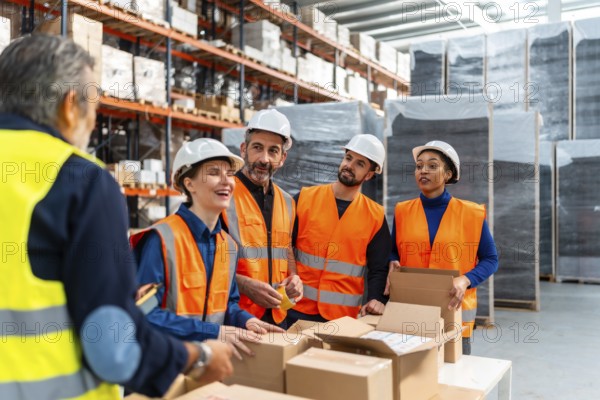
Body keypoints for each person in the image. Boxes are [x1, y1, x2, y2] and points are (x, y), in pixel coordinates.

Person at [0, 35, 233, 399]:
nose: (94, 121)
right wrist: (197, 355)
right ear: (70, 104)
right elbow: (113, 349)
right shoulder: (82, 181)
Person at [132, 138, 284, 359]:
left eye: (229, 174)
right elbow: (143, 314)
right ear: (189, 183)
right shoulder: (162, 239)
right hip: (162, 366)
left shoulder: (228, 246)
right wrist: (214, 332)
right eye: (213, 173)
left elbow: (227, 305)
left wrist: (246, 320)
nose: (227, 182)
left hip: (206, 364)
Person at [387, 140, 499, 355]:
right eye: (419, 166)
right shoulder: (403, 211)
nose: (423, 171)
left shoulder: (471, 213)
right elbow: (394, 250)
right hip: (411, 311)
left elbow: (491, 259)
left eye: (432, 165)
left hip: (453, 313)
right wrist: (392, 260)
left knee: (454, 379)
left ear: (448, 174)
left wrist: (466, 279)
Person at [287, 134, 391, 324]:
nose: (349, 165)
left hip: (342, 318)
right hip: (295, 308)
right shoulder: (304, 199)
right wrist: (291, 276)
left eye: (360, 164)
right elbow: (282, 245)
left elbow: (379, 268)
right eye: (348, 158)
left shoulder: (375, 216)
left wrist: (376, 299)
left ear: (369, 174)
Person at [221, 109, 303, 329]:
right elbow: (202, 259)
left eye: (273, 151)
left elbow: (285, 249)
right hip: (235, 315)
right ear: (244, 149)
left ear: (282, 158)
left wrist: (294, 277)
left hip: (277, 315)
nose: (264, 159)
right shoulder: (222, 195)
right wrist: (244, 285)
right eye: (257, 148)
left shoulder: (287, 202)